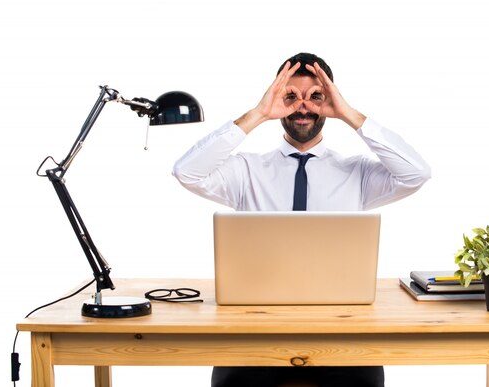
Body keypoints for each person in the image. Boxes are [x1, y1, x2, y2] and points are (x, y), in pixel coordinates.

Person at [173, 52, 431, 387]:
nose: (303, 107)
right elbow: (186, 171)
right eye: (291, 96)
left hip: (341, 332)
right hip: (256, 331)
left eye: (316, 97)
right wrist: (257, 114)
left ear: (331, 100)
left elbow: (417, 173)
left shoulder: (358, 173)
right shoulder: (246, 171)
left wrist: (350, 114)